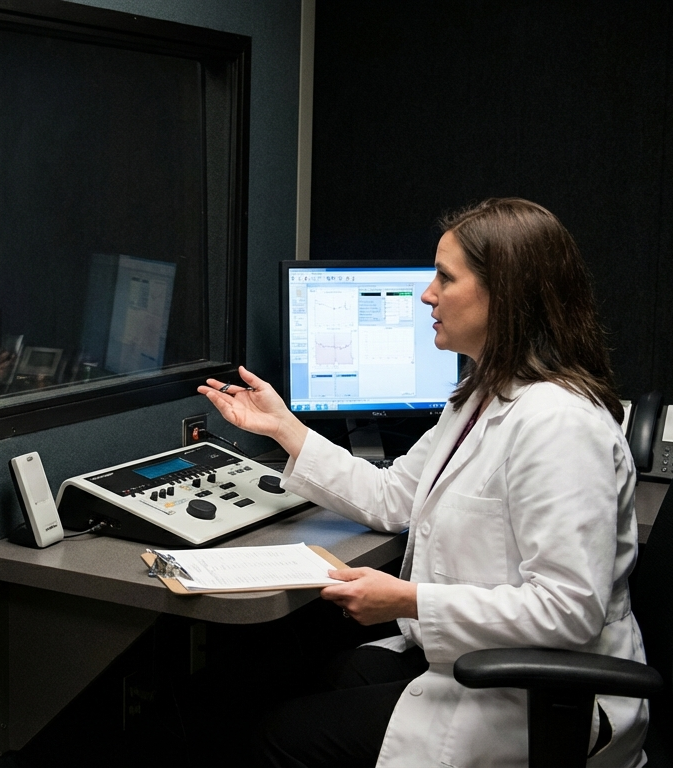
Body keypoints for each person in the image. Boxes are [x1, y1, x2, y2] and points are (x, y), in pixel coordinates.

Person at [201, 198, 646, 767]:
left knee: (283, 737)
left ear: (503, 294)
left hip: (544, 699)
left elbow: (567, 612)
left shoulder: (560, 424)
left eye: (445, 277)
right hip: (471, 658)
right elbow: (393, 497)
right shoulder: (478, 396)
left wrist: (407, 599)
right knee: (321, 673)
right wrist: (285, 427)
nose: (426, 294)